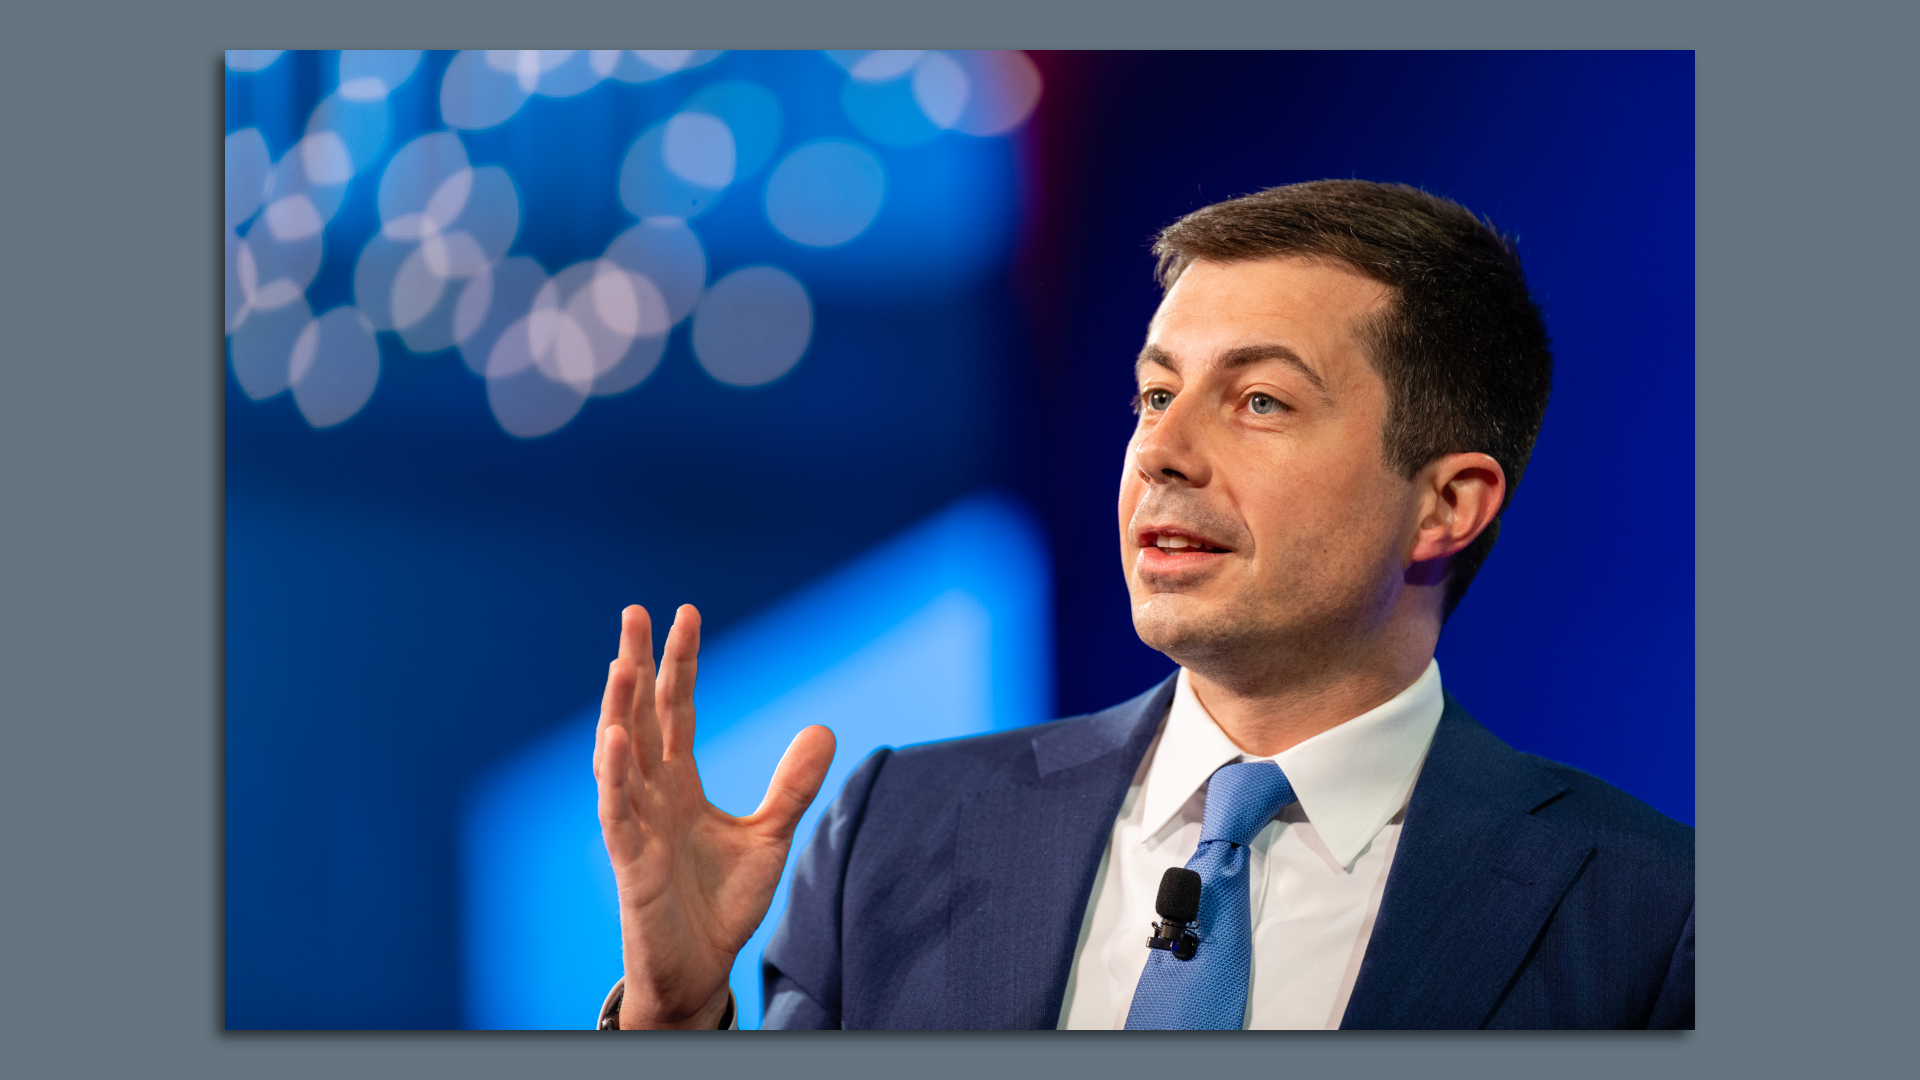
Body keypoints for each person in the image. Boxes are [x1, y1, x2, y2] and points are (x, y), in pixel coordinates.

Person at [589, 180, 1694, 1030]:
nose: (1161, 449)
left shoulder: (1652, 915)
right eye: (1156, 393)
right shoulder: (899, 833)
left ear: (1446, 504)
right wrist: (674, 1017)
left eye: (1259, 401)